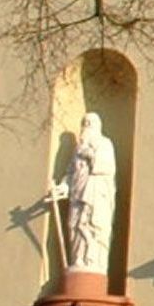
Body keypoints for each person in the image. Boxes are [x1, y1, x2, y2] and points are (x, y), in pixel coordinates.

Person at [49, 112, 117, 273]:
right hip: (77, 194)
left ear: (97, 126)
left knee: (93, 225)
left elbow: (108, 168)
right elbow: (71, 172)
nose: (86, 126)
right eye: (84, 123)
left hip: (96, 193)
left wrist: (91, 155)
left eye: (90, 123)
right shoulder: (78, 149)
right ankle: (78, 259)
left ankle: (93, 262)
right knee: (74, 224)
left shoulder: (105, 143)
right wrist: (64, 186)